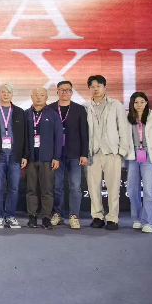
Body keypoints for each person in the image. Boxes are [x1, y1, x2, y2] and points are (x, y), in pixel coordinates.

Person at [85, 75, 130, 231]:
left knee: (113, 187)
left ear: (105, 87)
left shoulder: (116, 105)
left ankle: (112, 218)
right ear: (89, 89)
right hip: (92, 153)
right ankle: (97, 216)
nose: (95, 89)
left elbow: (123, 128)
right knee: (93, 187)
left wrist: (121, 151)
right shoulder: (85, 107)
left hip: (112, 152)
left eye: (98, 86)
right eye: (92, 86)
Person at [124, 92, 152, 233]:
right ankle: (136, 219)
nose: (139, 105)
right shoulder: (127, 118)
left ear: (147, 102)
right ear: (132, 104)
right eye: (136, 102)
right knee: (132, 190)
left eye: (142, 102)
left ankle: (149, 222)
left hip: (149, 155)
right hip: (133, 156)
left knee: (149, 191)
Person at [48, 80, 89, 229]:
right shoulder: (50, 108)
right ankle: (58, 214)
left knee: (75, 186)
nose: (65, 92)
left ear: (72, 92)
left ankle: (74, 216)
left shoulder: (79, 109)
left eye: (68, 90)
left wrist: (84, 153)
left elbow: (84, 133)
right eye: (62, 89)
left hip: (75, 153)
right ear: (57, 92)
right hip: (56, 154)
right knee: (57, 186)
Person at [0, 83, 28, 229]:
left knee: (14, 188)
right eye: (3, 92)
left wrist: (24, 155)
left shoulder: (20, 112)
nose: (5, 94)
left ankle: (10, 216)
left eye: (8, 92)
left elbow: (25, 135)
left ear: (12, 95)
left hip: (15, 156)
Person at [25, 87, 62, 230]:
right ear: (31, 97)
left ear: (46, 97)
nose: (39, 97)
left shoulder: (53, 115)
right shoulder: (26, 114)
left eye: (42, 95)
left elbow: (58, 137)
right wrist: (24, 156)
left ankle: (46, 217)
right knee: (31, 189)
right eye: (36, 95)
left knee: (47, 189)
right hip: (30, 158)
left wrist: (56, 157)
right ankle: (32, 216)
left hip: (47, 158)